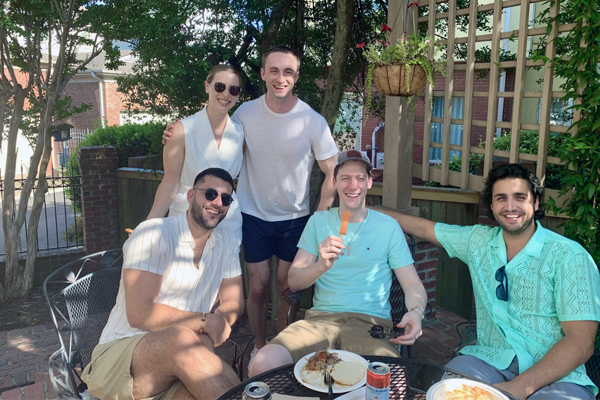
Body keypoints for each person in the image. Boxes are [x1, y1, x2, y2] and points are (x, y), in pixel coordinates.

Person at [163, 46, 339, 359]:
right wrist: (176, 135)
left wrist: (320, 217)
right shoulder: (245, 114)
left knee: (288, 287)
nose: (280, 78)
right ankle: (260, 347)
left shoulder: (312, 120)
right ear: (263, 74)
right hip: (253, 215)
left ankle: (285, 348)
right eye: (274, 70)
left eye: (288, 72)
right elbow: (218, 144)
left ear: (296, 77)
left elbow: (332, 172)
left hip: (295, 219)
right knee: (257, 286)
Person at [378, 163, 600, 400]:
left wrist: (519, 388)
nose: (510, 206)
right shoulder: (478, 241)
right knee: (443, 393)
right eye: (501, 198)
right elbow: (423, 227)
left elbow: (581, 342)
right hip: (488, 360)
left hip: (557, 375)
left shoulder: (569, 256)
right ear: (492, 206)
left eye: (520, 197)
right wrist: (361, 208)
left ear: (535, 203)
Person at [248, 150, 427, 377]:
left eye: (360, 178)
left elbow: (412, 284)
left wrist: (416, 312)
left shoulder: (388, 227)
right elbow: (293, 281)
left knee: (392, 383)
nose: (353, 185)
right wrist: (321, 265)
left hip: (370, 326)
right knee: (264, 363)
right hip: (319, 322)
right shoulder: (318, 221)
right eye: (345, 178)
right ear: (334, 182)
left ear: (370, 182)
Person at [81, 168, 244, 400]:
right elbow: (140, 313)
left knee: (201, 392)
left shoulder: (227, 240)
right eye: (210, 194)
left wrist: (221, 324)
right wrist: (205, 324)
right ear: (190, 197)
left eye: (225, 199)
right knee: (181, 339)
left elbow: (234, 299)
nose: (217, 202)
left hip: (179, 367)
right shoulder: (153, 234)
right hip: (119, 360)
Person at [148, 64, 244, 242]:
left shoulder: (240, 132)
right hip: (187, 218)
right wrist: (149, 226)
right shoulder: (182, 129)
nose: (226, 94)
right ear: (207, 86)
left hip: (227, 221)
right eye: (220, 86)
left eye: (234, 89)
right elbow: (169, 181)